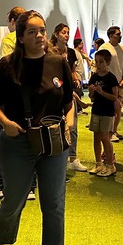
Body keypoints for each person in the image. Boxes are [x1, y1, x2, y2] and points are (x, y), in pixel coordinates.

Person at [0, 10, 74, 245]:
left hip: (53, 144)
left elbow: (69, 102)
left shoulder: (58, 62)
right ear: (20, 37)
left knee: (54, 206)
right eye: (32, 31)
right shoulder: (8, 65)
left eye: (42, 30)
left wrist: (68, 126)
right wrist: (5, 123)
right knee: (13, 200)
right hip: (17, 143)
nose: (40, 35)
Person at [0, 6, 29, 199]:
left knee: (0, 139)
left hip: (9, 101)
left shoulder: (9, 40)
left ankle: (1, 182)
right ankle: (29, 185)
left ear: (13, 21)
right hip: (28, 101)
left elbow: (7, 69)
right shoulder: (38, 47)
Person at [49, 23, 87, 172]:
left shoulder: (71, 52)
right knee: (56, 126)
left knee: (72, 127)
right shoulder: (50, 51)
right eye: (63, 32)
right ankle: (56, 159)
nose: (66, 35)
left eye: (68, 32)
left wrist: (75, 78)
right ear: (56, 34)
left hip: (69, 93)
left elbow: (72, 70)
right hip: (54, 93)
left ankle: (73, 158)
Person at [87, 49, 119, 177]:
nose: (98, 64)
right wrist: (91, 92)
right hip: (96, 110)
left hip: (107, 112)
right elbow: (91, 98)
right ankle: (98, 163)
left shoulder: (111, 78)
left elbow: (114, 97)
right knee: (96, 137)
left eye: (101, 61)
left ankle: (110, 165)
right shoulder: (94, 77)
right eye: (96, 61)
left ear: (107, 62)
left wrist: (101, 92)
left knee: (105, 138)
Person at [103, 26, 123, 142]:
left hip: (119, 84)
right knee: (110, 110)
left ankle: (114, 131)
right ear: (110, 36)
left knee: (118, 109)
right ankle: (108, 132)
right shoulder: (104, 48)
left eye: (120, 34)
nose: (120, 36)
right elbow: (101, 66)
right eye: (117, 34)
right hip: (108, 85)